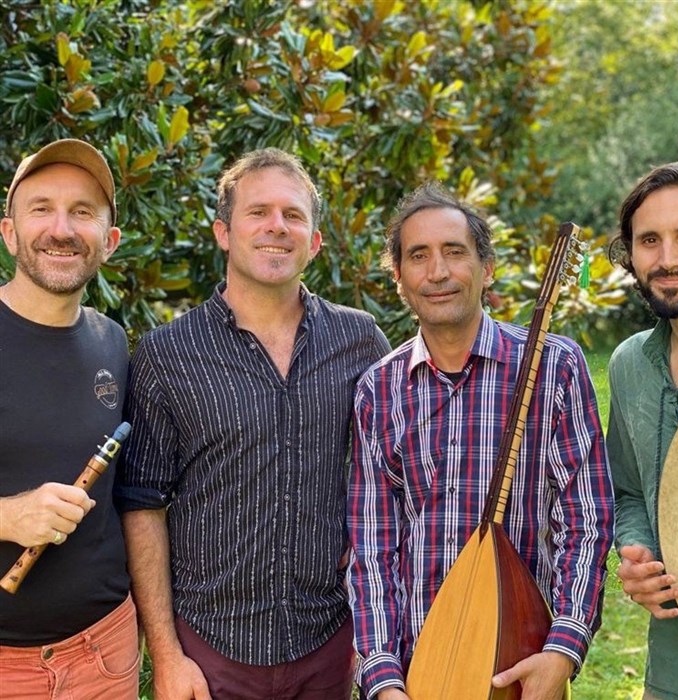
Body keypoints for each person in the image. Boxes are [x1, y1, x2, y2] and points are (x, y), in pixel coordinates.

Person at [116, 147, 391, 700]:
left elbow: (392, 470)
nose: (277, 226)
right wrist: (165, 655)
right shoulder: (167, 354)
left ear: (315, 241)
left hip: (329, 643)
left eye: (293, 215)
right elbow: (142, 504)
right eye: (258, 211)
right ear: (223, 232)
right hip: (211, 649)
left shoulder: (360, 341)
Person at [346, 182, 614, 700]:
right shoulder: (379, 389)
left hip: (518, 665)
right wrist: (382, 678)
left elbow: (587, 520)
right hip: (419, 672)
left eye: (455, 252)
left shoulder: (553, 367)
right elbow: (373, 547)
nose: (437, 272)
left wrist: (562, 649)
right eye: (418, 256)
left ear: (486, 267)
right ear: (398, 277)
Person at [0, 139, 138, 697]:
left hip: (106, 651)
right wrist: (8, 517)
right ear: (9, 232)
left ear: (110, 241)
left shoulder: (113, 343)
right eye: (42, 208)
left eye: (82, 212)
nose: (61, 229)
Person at [607, 161, 678, 700]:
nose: (668, 259)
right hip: (672, 669)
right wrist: (637, 548)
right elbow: (628, 490)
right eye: (649, 240)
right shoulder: (629, 365)